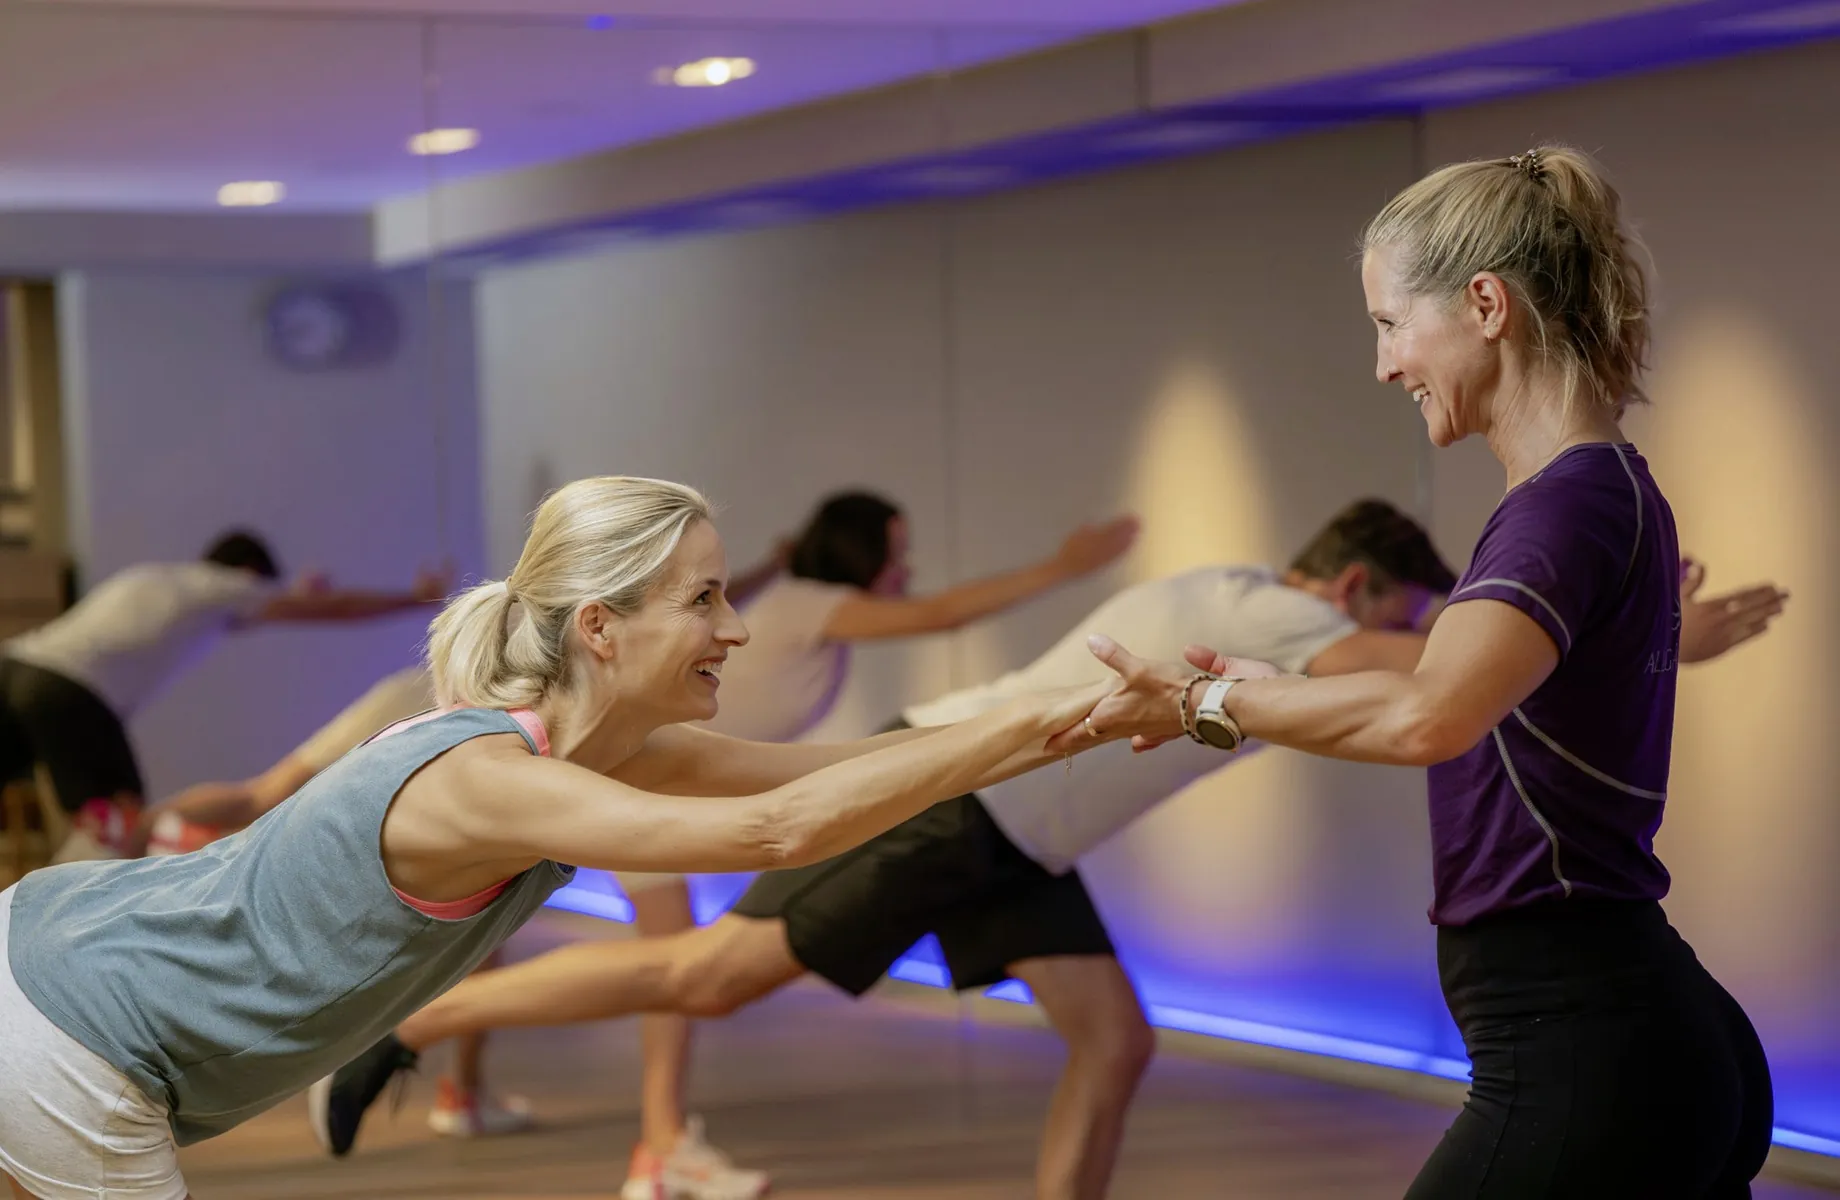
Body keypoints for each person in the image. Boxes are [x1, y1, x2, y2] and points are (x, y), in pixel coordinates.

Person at [315, 497, 1781, 1200]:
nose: (1426, 629)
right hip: (955, 808)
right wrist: (1640, 635)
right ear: (1350, 583)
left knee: (1117, 1040)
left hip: (1015, 833)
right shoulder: (1286, 617)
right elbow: (1430, 682)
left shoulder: (1243, 590)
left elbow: (1421, 672)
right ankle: (414, 1019)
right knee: (701, 980)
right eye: (1408, 605)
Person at [0, 475, 1155, 1200]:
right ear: (600, 627)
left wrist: (1072, 720)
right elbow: (779, 829)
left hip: (51, 961)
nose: (736, 627)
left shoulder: (606, 755)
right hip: (75, 1034)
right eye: (704, 599)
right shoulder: (489, 778)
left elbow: (832, 771)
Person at [1059, 147, 1785, 1197]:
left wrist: (1200, 702)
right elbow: (1446, 701)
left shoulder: (1563, 507)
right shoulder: (1589, 488)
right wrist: (1273, 689)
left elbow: (1425, 721)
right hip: (1630, 1027)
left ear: (1485, 304)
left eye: (1391, 324)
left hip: (1583, 1040)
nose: (1384, 364)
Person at [601, 489, 1137, 1200]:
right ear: (863, 553)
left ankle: (588, 1124)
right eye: (897, 551)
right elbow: (941, 615)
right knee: (672, 974)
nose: (905, 568)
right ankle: (658, 1149)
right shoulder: (812, 601)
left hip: (661, 784)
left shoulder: (801, 604)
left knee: (669, 970)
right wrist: (1062, 567)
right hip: (646, 785)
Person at [136, 665, 533, 1141]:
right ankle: (459, 1090)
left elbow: (258, 797)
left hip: (419, 721)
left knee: (259, 797)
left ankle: (127, 831)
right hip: (451, 767)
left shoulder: (413, 688)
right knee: (489, 908)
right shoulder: (514, 705)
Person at [0, 531, 448, 860]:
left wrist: (294, 593)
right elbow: (333, 608)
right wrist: (415, 599)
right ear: (252, 574)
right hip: (67, 688)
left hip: (13, 668)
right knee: (120, 821)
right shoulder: (230, 587)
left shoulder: (162, 579)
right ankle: (58, 938)